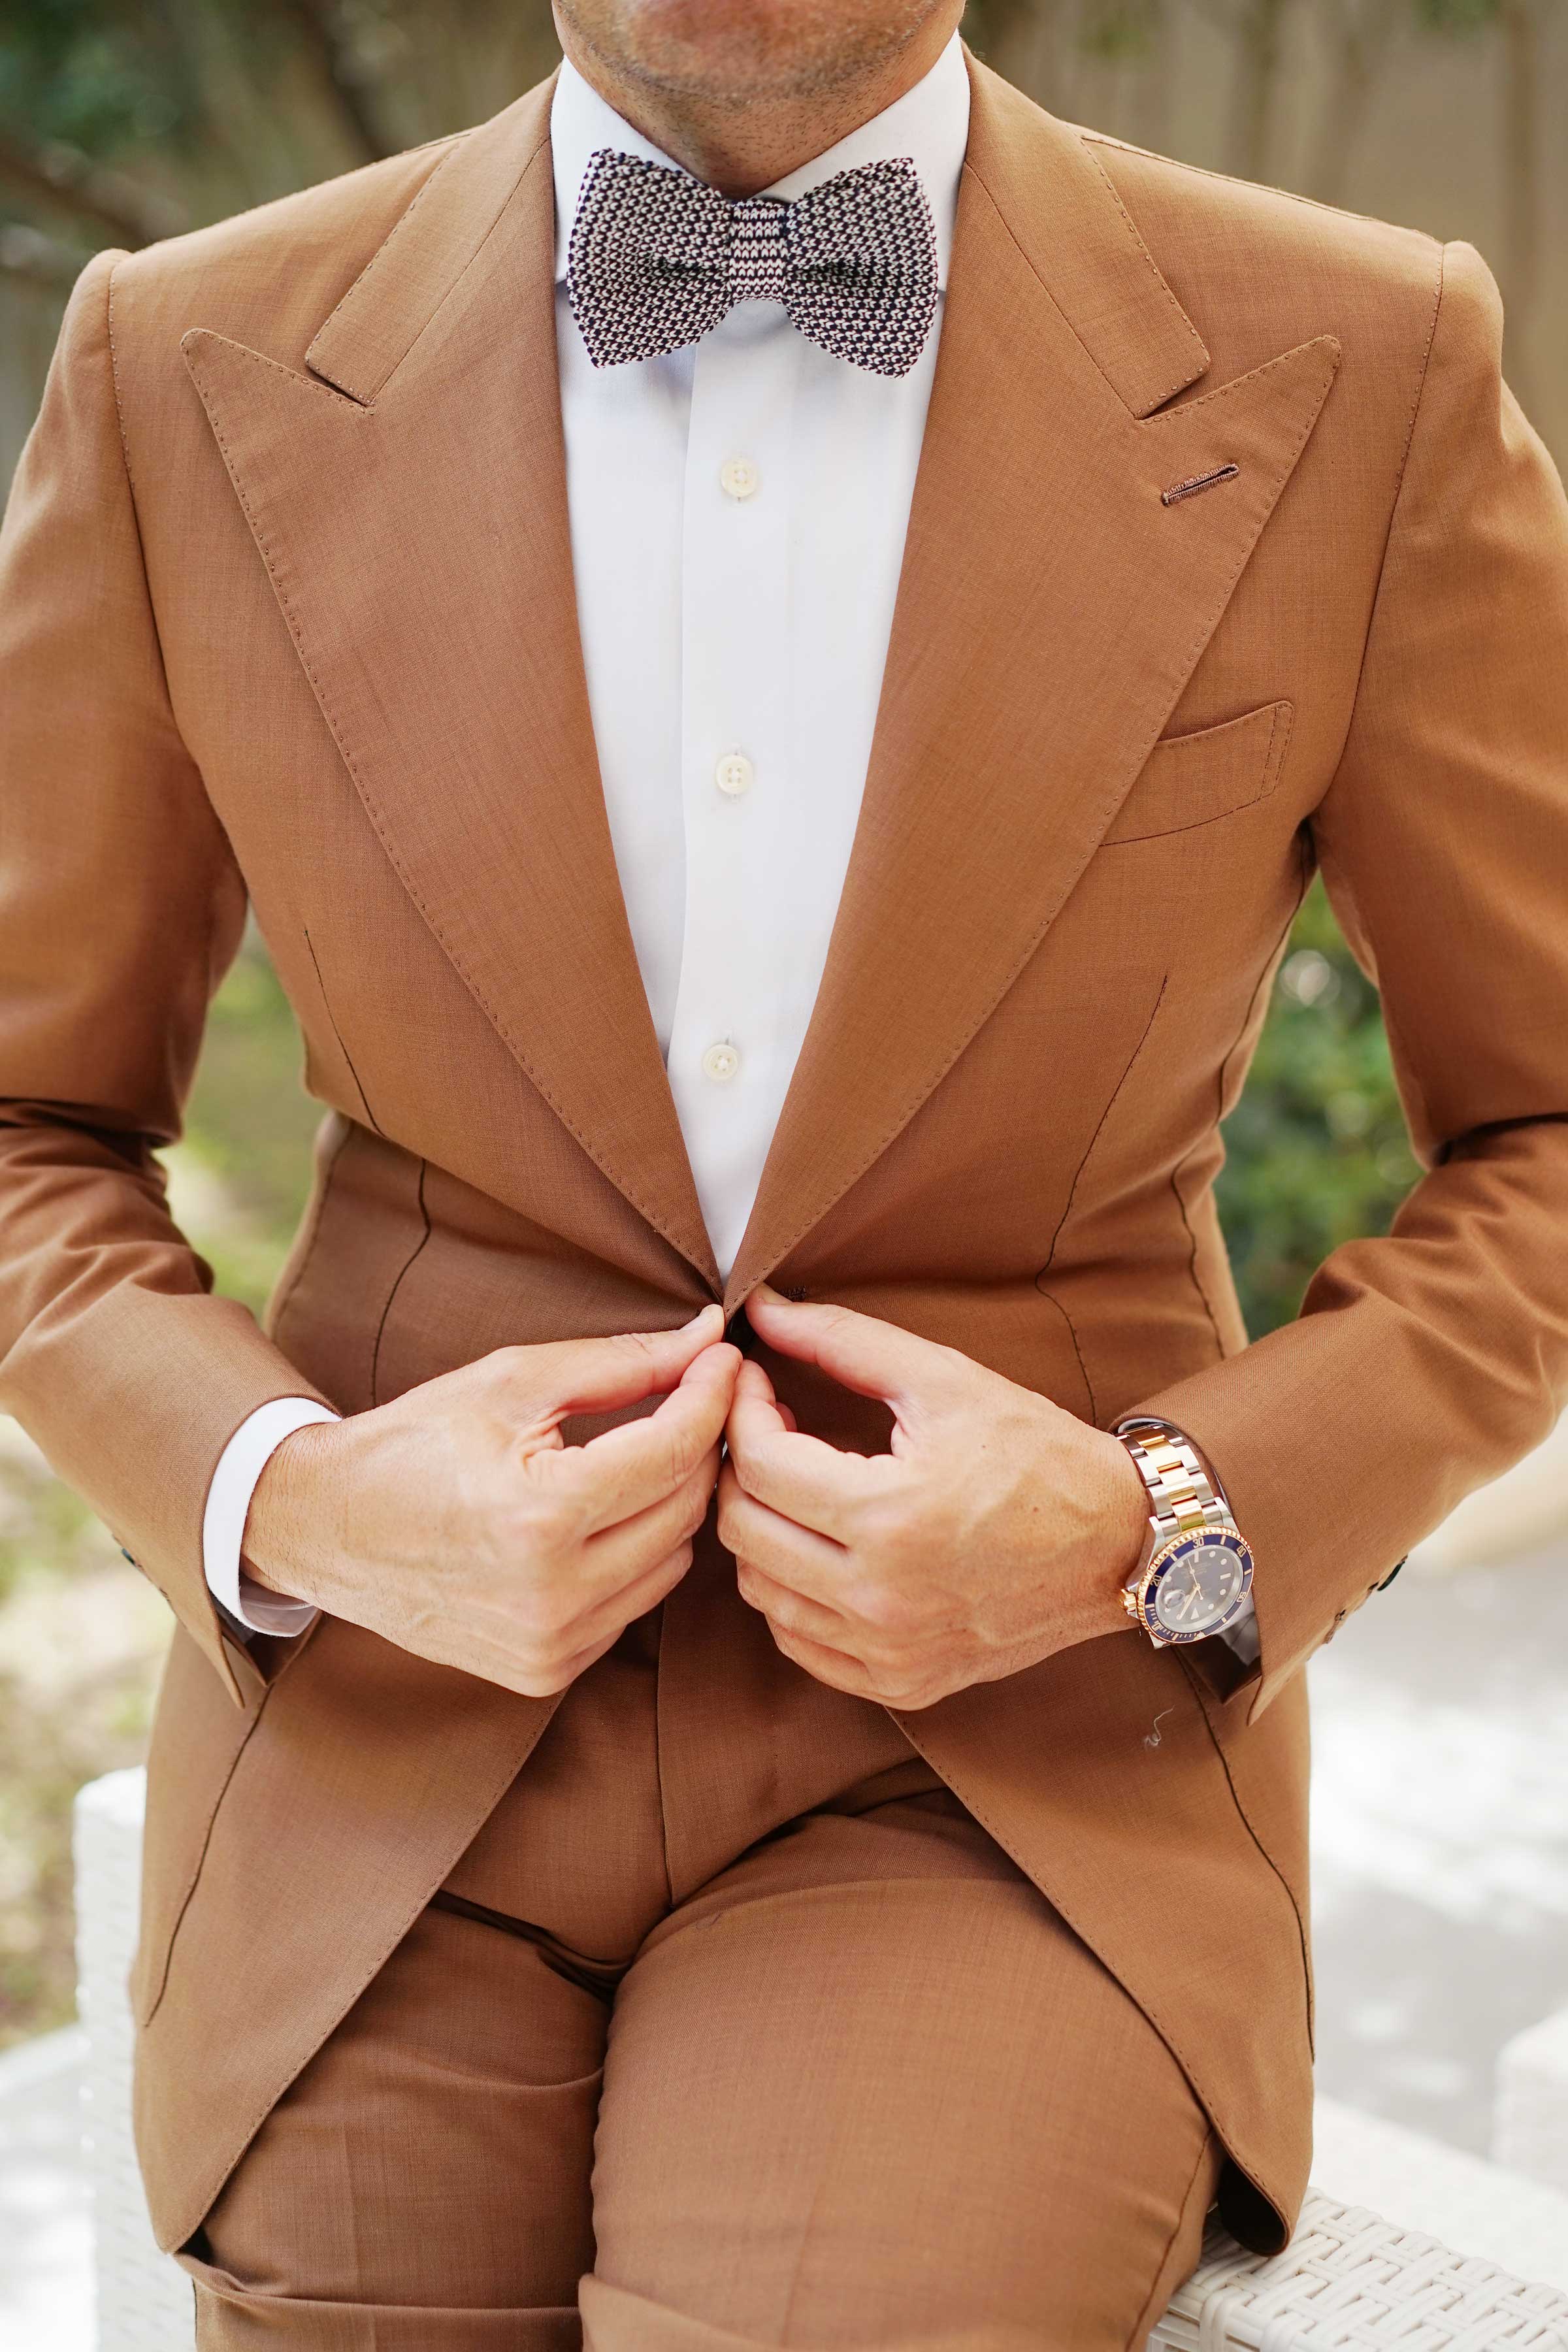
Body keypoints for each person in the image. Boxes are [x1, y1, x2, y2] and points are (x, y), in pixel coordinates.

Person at [2, 0, 1566, 2342]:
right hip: (390, 1734)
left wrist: (1159, 1520)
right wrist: (296, 1498)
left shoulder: (1366, 355)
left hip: (1017, 1758)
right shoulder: (178, 358)